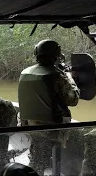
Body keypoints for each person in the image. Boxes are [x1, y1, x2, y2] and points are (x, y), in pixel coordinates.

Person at [18, 39, 80, 174]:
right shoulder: (56, 75)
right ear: (56, 55)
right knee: (93, 136)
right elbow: (73, 99)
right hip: (53, 129)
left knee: (37, 158)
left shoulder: (25, 73)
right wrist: (69, 77)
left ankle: (35, 169)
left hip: (30, 126)